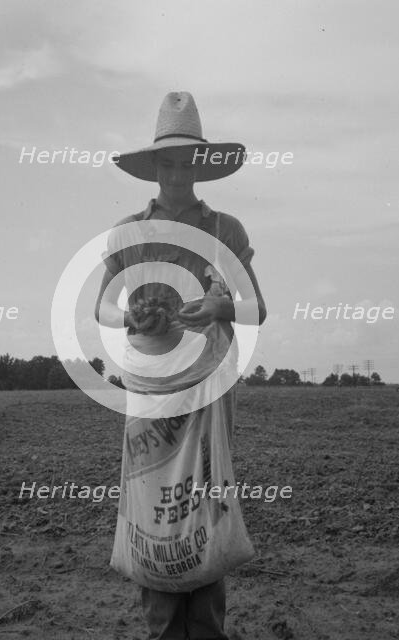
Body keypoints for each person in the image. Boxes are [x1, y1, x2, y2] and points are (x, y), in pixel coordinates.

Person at [95, 92, 266, 640]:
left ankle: (208, 626)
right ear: (155, 167)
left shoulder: (226, 231)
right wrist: (128, 318)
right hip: (152, 391)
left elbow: (256, 307)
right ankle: (163, 626)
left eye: (187, 159)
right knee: (154, 502)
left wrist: (220, 306)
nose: (176, 170)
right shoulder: (129, 230)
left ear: (200, 164)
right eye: (166, 160)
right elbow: (101, 304)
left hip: (210, 390)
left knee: (204, 502)